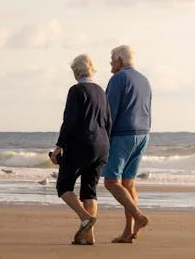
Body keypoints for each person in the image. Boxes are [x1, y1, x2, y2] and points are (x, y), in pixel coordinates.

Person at [50, 53, 112, 246]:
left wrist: (59, 146)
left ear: (77, 71)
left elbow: (70, 121)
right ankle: (89, 236)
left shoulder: (76, 91)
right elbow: (108, 121)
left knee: (63, 186)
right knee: (89, 191)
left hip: (81, 144)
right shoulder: (101, 91)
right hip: (102, 145)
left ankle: (85, 218)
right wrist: (105, 143)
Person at [102, 44, 151, 243]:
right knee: (128, 183)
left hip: (123, 134)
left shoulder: (118, 78)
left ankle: (138, 217)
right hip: (143, 133)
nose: (110, 63)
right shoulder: (144, 80)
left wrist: (103, 136)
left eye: (112, 59)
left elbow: (109, 112)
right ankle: (129, 231)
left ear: (120, 60)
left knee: (111, 182)